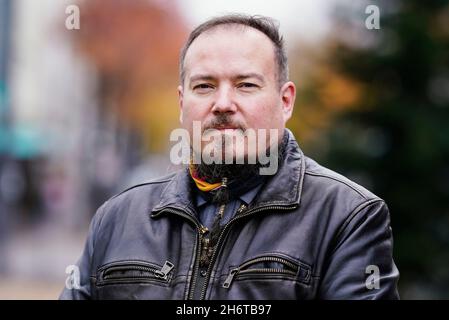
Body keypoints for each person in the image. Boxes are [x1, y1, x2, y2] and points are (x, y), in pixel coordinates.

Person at [60, 14, 399, 300]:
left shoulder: (348, 218)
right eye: (204, 86)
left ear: (285, 101)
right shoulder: (116, 218)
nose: (222, 104)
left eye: (246, 85)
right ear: (182, 104)